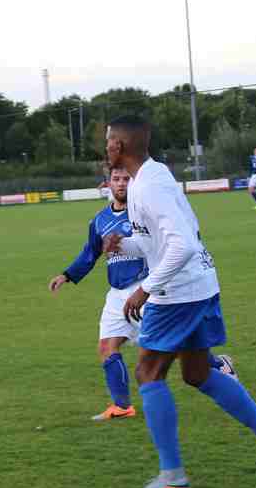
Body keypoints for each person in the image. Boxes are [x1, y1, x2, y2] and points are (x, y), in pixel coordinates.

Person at [103, 116, 256, 488]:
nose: (105, 146)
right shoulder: (151, 177)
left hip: (178, 293)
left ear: (119, 146)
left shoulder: (150, 186)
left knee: (148, 372)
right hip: (198, 285)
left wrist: (145, 289)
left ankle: (173, 478)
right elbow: (161, 242)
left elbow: (183, 246)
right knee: (196, 373)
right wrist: (122, 245)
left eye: (108, 140)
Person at [51, 165, 238, 422]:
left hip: (146, 288)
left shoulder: (144, 212)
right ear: (108, 183)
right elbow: (90, 253)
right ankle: (122, 406)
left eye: (126, 179)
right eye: (116, 179)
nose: (121, 183)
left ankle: (218, 365)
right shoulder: (100, 220)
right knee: (106, 346)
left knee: (176, 347)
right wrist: (67, 275)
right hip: (117, 292)